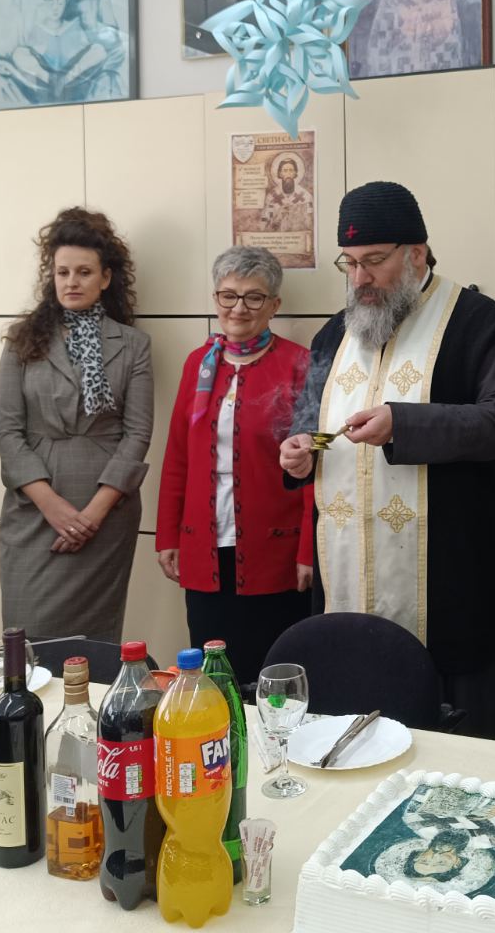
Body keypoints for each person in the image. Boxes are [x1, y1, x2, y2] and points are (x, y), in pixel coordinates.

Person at [279, 182, 495, 739]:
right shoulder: (333, 334)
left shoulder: (478, 323)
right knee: (349, 750)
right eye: (349, 263)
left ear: (416, 253)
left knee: (457, 765)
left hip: (447, 595)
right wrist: (297, 453)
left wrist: (405, 423)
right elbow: (308, 424)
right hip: (344, 592)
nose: (359, 278)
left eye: (374, 261)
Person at [155, 246, 314, 688]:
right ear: (216, 299)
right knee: (213, 676)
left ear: (274, 305)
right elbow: (178, 455)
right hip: (204, 545)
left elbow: (314, 467)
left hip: (275, 552)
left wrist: (308, 550)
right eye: (228, 295)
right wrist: (168, 536)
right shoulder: (198, 363)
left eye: (253, 297)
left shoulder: (299, 364)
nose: (238, 308)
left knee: (274, 678)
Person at [0, 208, 153, 644]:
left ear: (106, 278)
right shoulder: (22, 339)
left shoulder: (133, 344)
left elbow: (137, 434)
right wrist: (52, 507)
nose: (72, 282)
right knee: (28, 636)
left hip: (107, 510)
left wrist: (93, 515)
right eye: (62, 272)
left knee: (92, 644)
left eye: (84, 272)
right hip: (34, 507)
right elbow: (7, 431)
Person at [258, 154, 314, 235]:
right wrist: (278, 216)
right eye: (285, 170)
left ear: (295, 173)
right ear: (280, 174)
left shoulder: (306, 196)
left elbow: (310, 225)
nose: (288, 174)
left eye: (291, 170)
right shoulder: (271, 197)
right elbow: (264, 224)